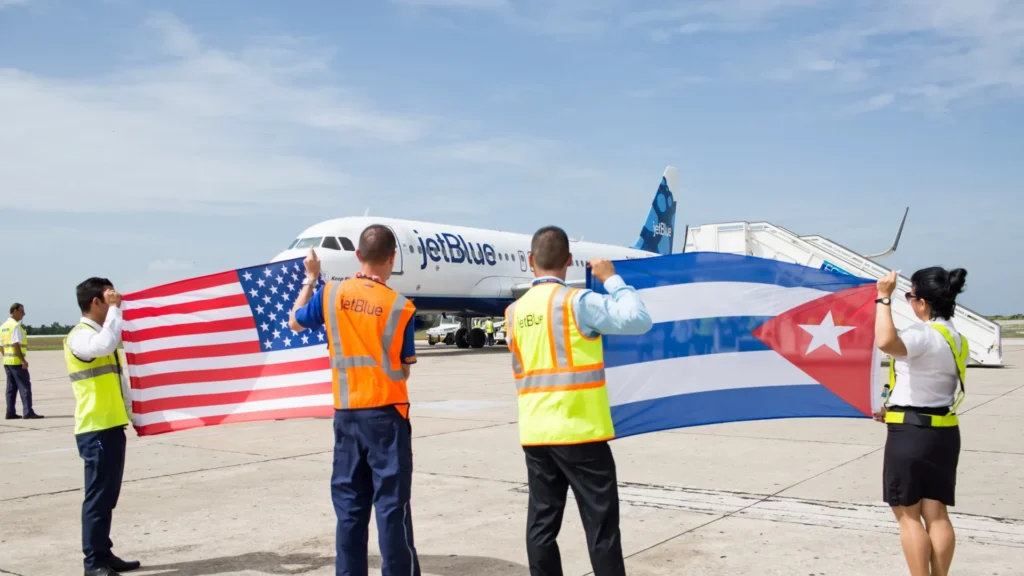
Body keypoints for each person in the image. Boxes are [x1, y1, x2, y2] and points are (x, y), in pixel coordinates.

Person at [504, 225, 653, 576]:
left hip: (536, 434)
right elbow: (638, 319)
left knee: (541, 526)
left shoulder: (513, 313)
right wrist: (613, 280)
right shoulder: (576, 303)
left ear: (530, 261)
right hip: (580, 432)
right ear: (570, 262)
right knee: (601, 528)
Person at [289, 224, 421, 576]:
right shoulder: (401, 307)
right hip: (387, 417)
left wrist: (310, 279)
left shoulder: (331, 294)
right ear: (392, 258)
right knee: (391, 509)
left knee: (349, 510)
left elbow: (294, 322)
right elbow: (404, 371)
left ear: (358, 256)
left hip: (346, 416)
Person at [873, 267, 968, 576]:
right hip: (943, 432)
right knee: (936, 513)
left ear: (923, 302)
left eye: (909, 296)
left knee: (907, 514)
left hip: (912, 434)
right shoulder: (955, 337)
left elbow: (886, 343)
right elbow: (926, 382)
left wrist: (883, 298)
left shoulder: (921, 333)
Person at [64, 277, 140, 576]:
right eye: (109, 296)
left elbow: (117, 381)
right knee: (97, 497)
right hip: (95, 429)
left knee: (108, 497)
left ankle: (104, 553)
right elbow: (106, 342)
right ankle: (92, 562)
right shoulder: (81, 336)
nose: (115, 300)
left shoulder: (98, 335)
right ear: (95, 302)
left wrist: (132, 413)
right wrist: (116, 312)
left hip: (110, 426)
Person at [3, 302, 42, 419]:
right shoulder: (15, 326)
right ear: (14, 311)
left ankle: (10, 412)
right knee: (25, 387)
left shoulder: (4, 326)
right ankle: (28, 411)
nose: (23, 314)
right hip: (16, 362)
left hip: (7, 362)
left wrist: (6, 357)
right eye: (22, 311)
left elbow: (1, 346)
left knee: (11, 388)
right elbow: (15, 344)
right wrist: (22, 360)